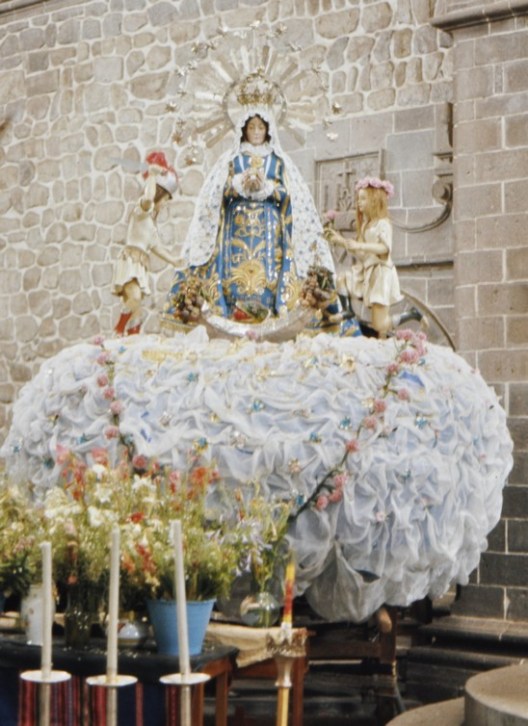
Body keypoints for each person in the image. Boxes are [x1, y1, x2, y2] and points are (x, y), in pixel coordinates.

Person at [163, 104, 337, 326]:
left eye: (260, 127)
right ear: (244, 129)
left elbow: (289, 194)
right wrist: (238, 185)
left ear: (268, 130)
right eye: (252, 127)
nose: (256, 132)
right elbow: (216, 194)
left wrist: (267, 188)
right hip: (235, 227)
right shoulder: (231, 159)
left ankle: (272, 311)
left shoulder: (278, 160)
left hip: (270, 227)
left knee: (270, 273)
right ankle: (229, 310)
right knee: (233, 273)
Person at [112, 151, 183, 335]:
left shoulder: (150, 223)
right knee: (134, 297)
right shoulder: (142, 211)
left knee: (137, 310)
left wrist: (173, 260)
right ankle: (118, 329)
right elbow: (148, 198)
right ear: (159, 194)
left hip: (141, 263)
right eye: (165, 200)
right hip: (130, 260)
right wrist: (152, 175)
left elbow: (156, 247)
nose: (165, 204)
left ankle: (131, 336)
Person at [326, 177, 402, 338]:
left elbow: (384, 249)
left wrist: (360, 246)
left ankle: (411, 314)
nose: (358, 203)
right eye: (358, 199)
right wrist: (340, 241)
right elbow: (362, 255)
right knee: (341, 279)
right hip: (367, 271)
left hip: (381, 273)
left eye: (363, 198)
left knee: (379, 324)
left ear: (374, 200)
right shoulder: (366, 225)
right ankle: (347, 310)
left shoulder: (383, 223)